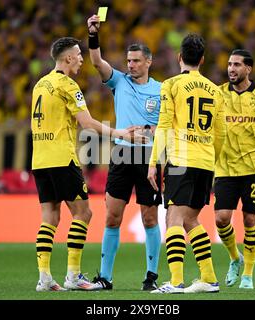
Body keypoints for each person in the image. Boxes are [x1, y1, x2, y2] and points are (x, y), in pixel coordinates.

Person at [31, 37, 146, 292]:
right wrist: (121, 134)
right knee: (83, 213)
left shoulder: (40, 84)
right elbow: (88, 123)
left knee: (49, 217)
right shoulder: (68, 86)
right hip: (62, 158)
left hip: (39, 158)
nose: (82, 59)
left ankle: (45, 278)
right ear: (68, 58)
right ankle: (73, 276)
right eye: (78, 55)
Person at [87, 14, 162, 291]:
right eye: (128, 61)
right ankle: (105, 278)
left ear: (148, 62)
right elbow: (96, 61)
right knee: (112, 216)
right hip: (122, 154)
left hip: (148, 158)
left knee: (149, 217)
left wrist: (150, 131)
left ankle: (151, 277)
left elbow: (167, 124)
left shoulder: (162, 90)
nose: (130, 65)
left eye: (136, 61)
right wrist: (93, 34)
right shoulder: (119, 81)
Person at [147, 34, 226, 294]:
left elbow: (164, 126)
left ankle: (177, 281)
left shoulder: (170, 85)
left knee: (174, 219)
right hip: (204, 161)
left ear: (180, 58)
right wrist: (211, 160)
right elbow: (220, 133)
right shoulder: (216, 91)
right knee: (191, 219)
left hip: (181, 160)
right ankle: (209, 278)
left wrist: (152, 163)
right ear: (202, 59)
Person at [214, 49, 255, 289]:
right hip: (224, 167)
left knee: (250, 219)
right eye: (229, 64)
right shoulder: (218, 94)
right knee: (221, 219)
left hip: (254, 167)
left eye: (237, 65)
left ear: (248, 69)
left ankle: (248, 275)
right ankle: (235, 258)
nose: (231, 69)